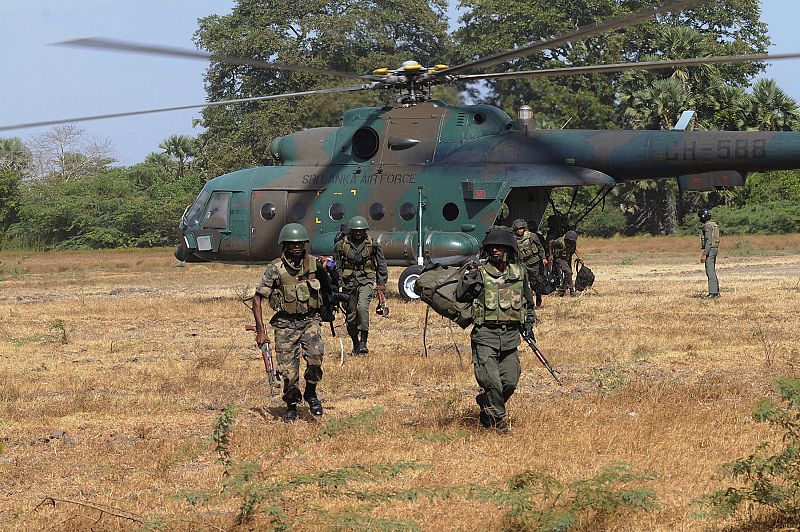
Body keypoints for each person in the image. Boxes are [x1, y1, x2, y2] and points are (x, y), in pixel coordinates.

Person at [456, 228, 536, 434]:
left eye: (500, 247)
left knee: (510, 381)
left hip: (510, 337)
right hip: (485, 336)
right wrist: (470, 276)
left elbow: (528, 303)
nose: (495, 251)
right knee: (491, 382)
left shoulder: (519, 273)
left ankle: (487, 405)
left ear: (509, 250)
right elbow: (461, 295)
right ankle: (498, 421)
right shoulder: (480, 273)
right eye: (492, 247)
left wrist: (529, 327)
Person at [252, 223, 326, 422]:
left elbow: (329, 288)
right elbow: (257, 298)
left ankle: (311, 393)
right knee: (288, 371)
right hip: (285, 324)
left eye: (300, 243)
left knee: (315, 358)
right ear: (284, 245)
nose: (296, 247)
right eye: (292, 244)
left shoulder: (314, 264)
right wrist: (260, 330)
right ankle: (291, 405)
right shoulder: (275, 269)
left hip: (310, 320)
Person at [334, 215, 388, 355]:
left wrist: (381, 283)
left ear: (365, 230)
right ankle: (355, 344)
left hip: (366, 280)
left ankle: (363, 342)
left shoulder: (373, 244)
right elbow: (337, 266)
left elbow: (381, 264)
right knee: (351, 315)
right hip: (349, 282)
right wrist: (338, 285)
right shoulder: (341, 245)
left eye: (361, 230)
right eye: (356, 230)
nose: (358, 233)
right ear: (351, 230)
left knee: (362, 307)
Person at [512, 219, 547, 307]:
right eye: (517, 229)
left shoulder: (532, 236)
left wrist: (543, 258)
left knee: (534, 282)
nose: (519, 231)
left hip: (533, 262)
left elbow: (540, 247)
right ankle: (529, 302)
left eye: (521, 228)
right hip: (522, 263)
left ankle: (538, 295)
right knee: (524, 283)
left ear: (524, 228)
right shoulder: (513, 239)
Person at [550, 230, 582, 297]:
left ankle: (562, 291)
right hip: (560, 259)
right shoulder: (559, 241)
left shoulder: (573, 243)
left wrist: (580, 257)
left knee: (568, 274)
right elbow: (550, 243)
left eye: (572, 241)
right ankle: (571, 291)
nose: (570, 242)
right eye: (569, 241)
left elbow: (574, 249)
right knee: (569, 272)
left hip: (568, 258)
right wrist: (551, 255)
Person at [699, 208, 720, 298]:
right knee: (712, 270)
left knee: (710, 271)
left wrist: (705, 253)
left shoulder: (708, 226)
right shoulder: (714, 224)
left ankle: (713, 292)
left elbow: (708, 240)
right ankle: (716, 291)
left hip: (710, 249)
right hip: (714, 249)